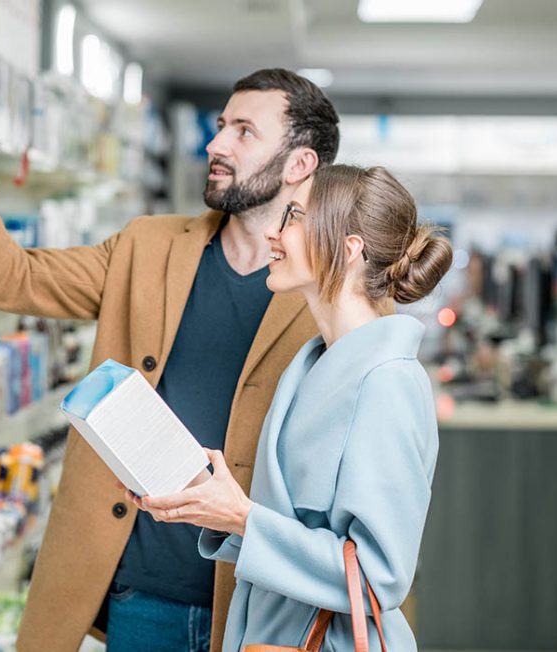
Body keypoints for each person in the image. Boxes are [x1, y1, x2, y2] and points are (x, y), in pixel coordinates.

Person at [0, 49, 340, 652]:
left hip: (258, 606)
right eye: (219, 128)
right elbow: (1, 279)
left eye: (244, 132)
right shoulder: (147, 246)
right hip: (140, 594)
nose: (217, 146)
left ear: (300, 163)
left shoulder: (334, 286)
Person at [133, 164, 453, 651]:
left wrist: (244, 518)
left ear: (348, 249)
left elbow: (379, 575)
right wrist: (212, 506)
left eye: (294, 217)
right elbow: (296, 528)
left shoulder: (389, 383)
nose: (272, 233)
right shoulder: (311, 365)